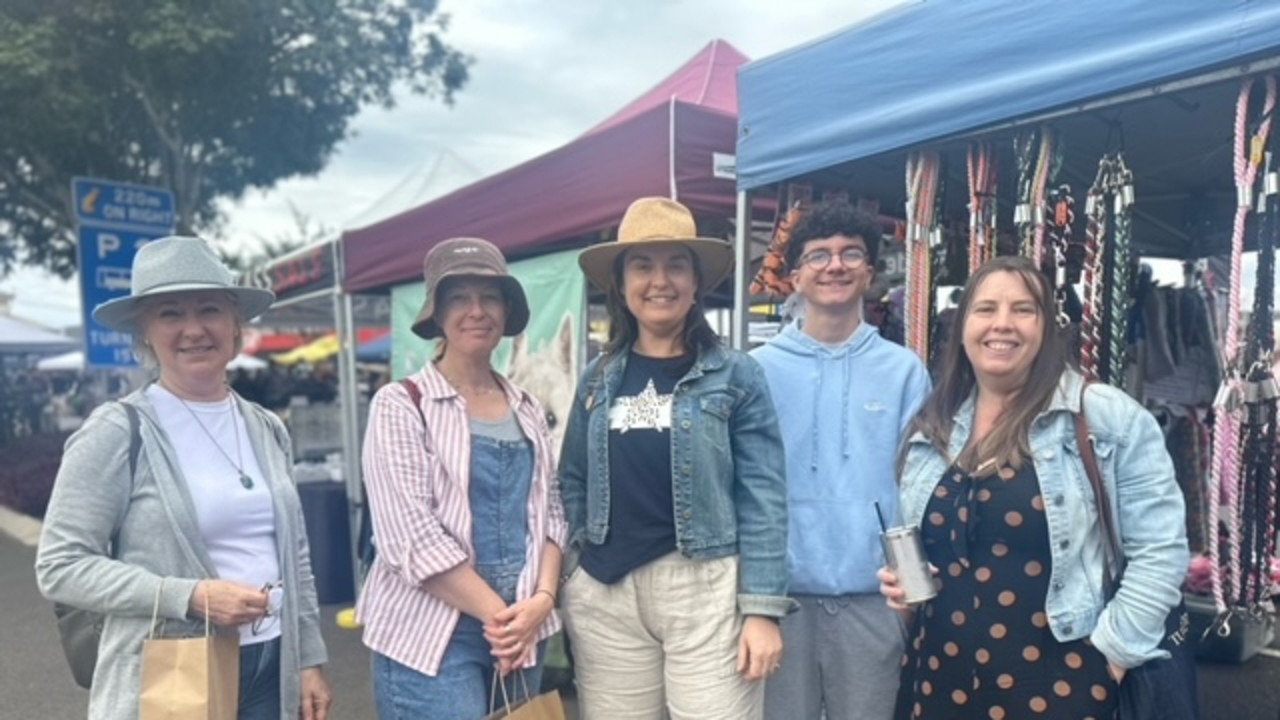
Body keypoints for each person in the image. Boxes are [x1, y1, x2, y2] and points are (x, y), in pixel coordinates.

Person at [878, 255, 1189, 718]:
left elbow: (1161, 552)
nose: (1002, 324)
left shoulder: (1104, 416)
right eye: (985, 309)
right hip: (939, 676)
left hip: (1062, 681)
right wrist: (904, 588)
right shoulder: (935, 425)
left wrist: (1113, 657)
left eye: (1023, 309)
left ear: (1047, 327)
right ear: (962, 325)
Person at [36, 236, 332, 720]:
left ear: (235, 325)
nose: (194, 329)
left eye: (210, 309)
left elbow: (294, 556)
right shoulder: (118, 429)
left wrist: (308, 659)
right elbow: (60, 564)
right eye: (170, 313)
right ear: (144, 331)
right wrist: (188, 596)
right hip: (171, 671)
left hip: (271, 664)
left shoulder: (266, 427)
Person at [558, 197, 791, 720]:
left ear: (696, 282)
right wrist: (575, 569)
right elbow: (571, 478)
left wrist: (762, 609)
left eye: (675, 264)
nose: (658, 280)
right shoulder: (597, 377)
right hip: (606, 592)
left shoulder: (736, 375)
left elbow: (764, 495)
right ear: (620, 284)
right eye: (642, 265)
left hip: (705, 588)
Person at [357, 237, 567, 720]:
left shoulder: (527, 407)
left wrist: (541, 600)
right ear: (437, 312)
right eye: (459, 298)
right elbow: (409, 536)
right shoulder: (401, 405)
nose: (477, 311)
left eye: (490, 296)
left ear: (506, 309)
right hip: (432, 635)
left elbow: (552, 514)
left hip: (521, 625)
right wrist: (503, 618)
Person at [751, 201, 931, 720]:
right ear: (795, 277)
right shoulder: (755, 372)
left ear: (870, 273)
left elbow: (919, 487)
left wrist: (911, 597)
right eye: (819, 255)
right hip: (779, 603)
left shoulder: (904, 371)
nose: (835, 265)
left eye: (851, 253)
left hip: (874, 601)